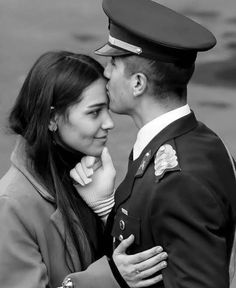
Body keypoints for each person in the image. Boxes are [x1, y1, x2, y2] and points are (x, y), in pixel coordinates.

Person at [71, 0, 236, 287]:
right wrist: (105, 207)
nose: (106, 73)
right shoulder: (196, 139)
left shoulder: (179, 180)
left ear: (138, 83)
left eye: (114, 63)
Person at [0, 51, 168, 288]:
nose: (109, 123)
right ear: (52, 119)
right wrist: (110, 278)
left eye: (107, 109)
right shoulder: (11, 205)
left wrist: (106, 207)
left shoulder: (85, 177)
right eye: (94, 112)